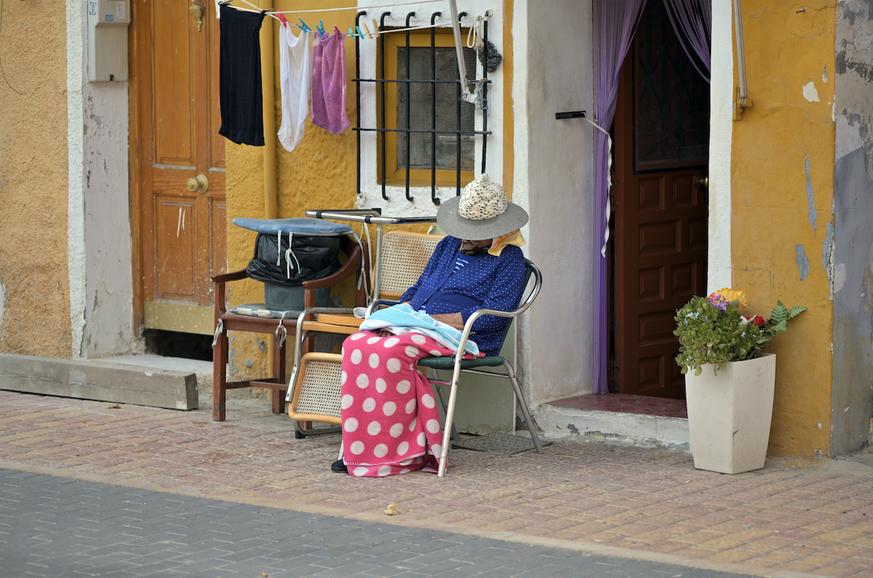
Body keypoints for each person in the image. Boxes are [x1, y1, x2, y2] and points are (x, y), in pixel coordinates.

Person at [334, 174, 529, 477]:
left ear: (498, 229)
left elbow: (494, 315)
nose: (467, 236)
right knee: (356, 345)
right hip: (415, 326)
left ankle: (402, 452)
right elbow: (418, 288)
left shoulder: (510, 258)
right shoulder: (450, 245)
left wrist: (426, 321)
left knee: (390, 354)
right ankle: (360, 448)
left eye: (477, 232)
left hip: (464, 336)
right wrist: (395, 319)